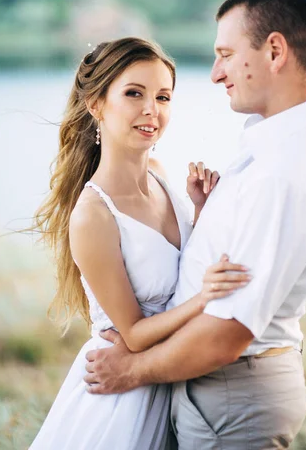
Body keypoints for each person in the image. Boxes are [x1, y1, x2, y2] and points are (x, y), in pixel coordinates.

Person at [84, 0, 306, 450]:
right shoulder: (265, 146)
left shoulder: (284, 169)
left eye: (226, 54)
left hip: (232, 394)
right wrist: (206, 215)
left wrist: (131, 369)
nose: (216, 74)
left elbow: (227, 335)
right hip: (212, 392)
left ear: (275, 50)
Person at [29, 37, 250, 450]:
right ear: (96, 103)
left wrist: (200, 212)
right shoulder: (93, 214)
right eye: (134, 94)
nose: (152, 110)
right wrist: (204, 299)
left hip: (172, 379)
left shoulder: (162, 174)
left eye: (163, 97)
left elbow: (179, 267)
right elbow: (132, 335)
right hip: (122, 397)